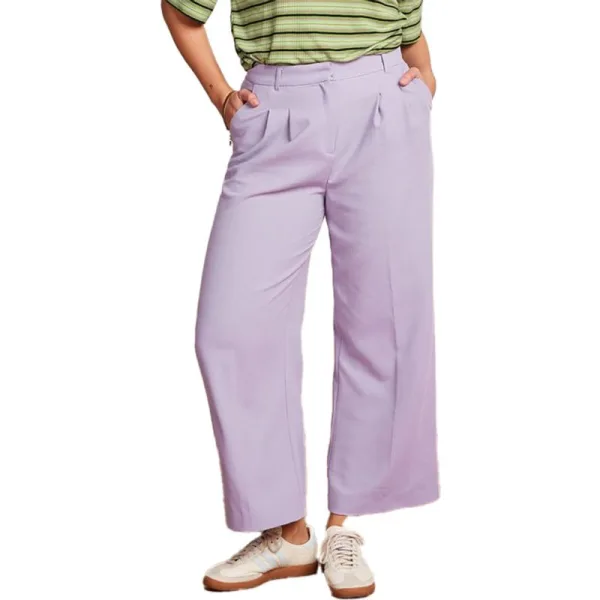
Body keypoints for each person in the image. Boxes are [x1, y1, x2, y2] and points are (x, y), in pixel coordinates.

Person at [162, 0, 439, 596]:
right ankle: (288, 533)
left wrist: (424, 82)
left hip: (383, 104)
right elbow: (182, 9)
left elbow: (408, 23)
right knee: (231, 328)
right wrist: (221, 97)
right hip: (274, 108)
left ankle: (342, 527)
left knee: (383, 320)